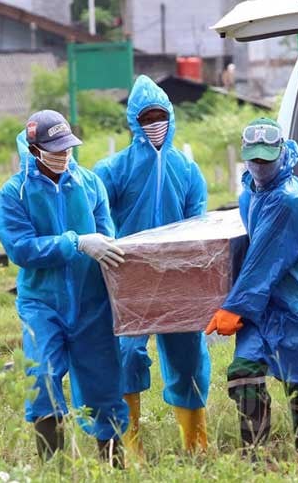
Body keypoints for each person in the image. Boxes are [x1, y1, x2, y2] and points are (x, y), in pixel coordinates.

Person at [205, 118, 298, 452]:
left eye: (266, 159)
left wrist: (234, 306)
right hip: (266, 304)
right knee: (243, 371)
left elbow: (265, 259)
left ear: (281, 154)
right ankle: (254, 454)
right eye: (254, 159)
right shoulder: (252, 190)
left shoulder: (290, 199)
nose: (260, 166)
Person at [0, 110, 128, 465]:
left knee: (104, 381)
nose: (63, 154)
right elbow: (21, 249)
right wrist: (75, 242)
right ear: (34, 149)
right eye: (54, 148)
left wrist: (104, 243)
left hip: (91, 301)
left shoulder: (89, 183)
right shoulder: (14, 194)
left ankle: (113, 464)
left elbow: (107, 235)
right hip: (42, 303)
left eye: (67, 146)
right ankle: (53, 467)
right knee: (42, 376)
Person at [93, 75, 210, 454]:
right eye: (146, 117)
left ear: (172, 118)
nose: (154, 124)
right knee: (127, 354)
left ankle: (195, 442)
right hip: (131, 279)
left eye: (161, 116)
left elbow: (198, 226)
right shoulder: (113, 170)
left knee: (188, 356)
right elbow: (96, 215)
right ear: (133, 121)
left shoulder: (187, 170)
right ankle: (131, 446)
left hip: (178, 278)